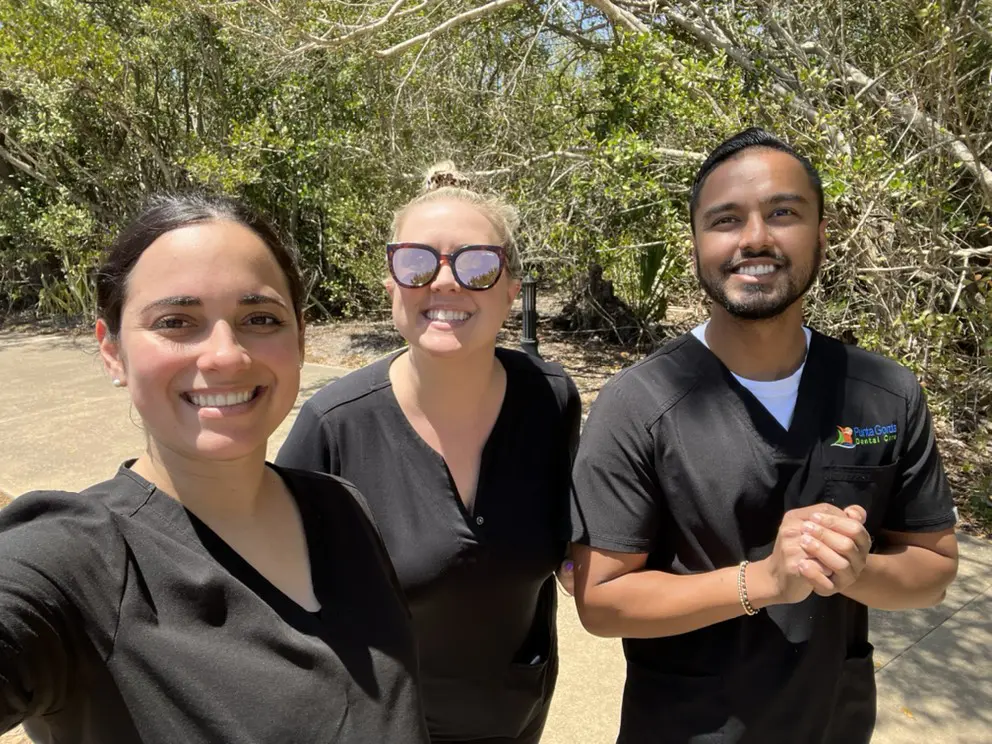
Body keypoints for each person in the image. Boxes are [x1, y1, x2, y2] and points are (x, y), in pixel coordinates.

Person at [569, 128, 959, 744]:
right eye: (726, 219)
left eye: (783, 212)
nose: (755, 238)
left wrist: (846, 568)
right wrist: (766, 581)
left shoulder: (884, 393)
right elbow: (602, 601)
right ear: (696, 243)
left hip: (836, 722)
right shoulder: (638, 404)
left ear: (822, 232)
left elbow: (933, 569)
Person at [0, 194, 429, 744]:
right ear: (112, 352)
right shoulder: (74, 564)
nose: (226, 355)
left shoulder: (342, 508)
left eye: (259, 318)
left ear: (299, 337)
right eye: (177, 321)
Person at [276, 163, 582, 744]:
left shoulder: (551, 399)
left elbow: (571, 540)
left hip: (514, 715)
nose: (444, 282)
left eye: (477, 264)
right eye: (417, 262)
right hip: (379, 725)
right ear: (391, 283)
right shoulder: (334, 425)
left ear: (512, 290)